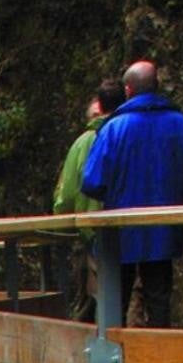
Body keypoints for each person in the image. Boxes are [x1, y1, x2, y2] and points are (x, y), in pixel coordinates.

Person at [81, 61, 183, 327]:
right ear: (156, 86)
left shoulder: (114, 128)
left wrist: (116, 194)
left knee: (116, 300)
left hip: (120, 227)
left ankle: (116, 362)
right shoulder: (179, 123)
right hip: (164, 225)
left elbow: (92, 181)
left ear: (128, 90)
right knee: (159, 297)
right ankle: (161, 359)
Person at [53, 79, 125, 320]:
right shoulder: (130, 133)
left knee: (95, 295)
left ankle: (98, 347)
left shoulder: (85, 142)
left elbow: (68, 193)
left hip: (93, 227)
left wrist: (63, 219)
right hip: (134, 228)